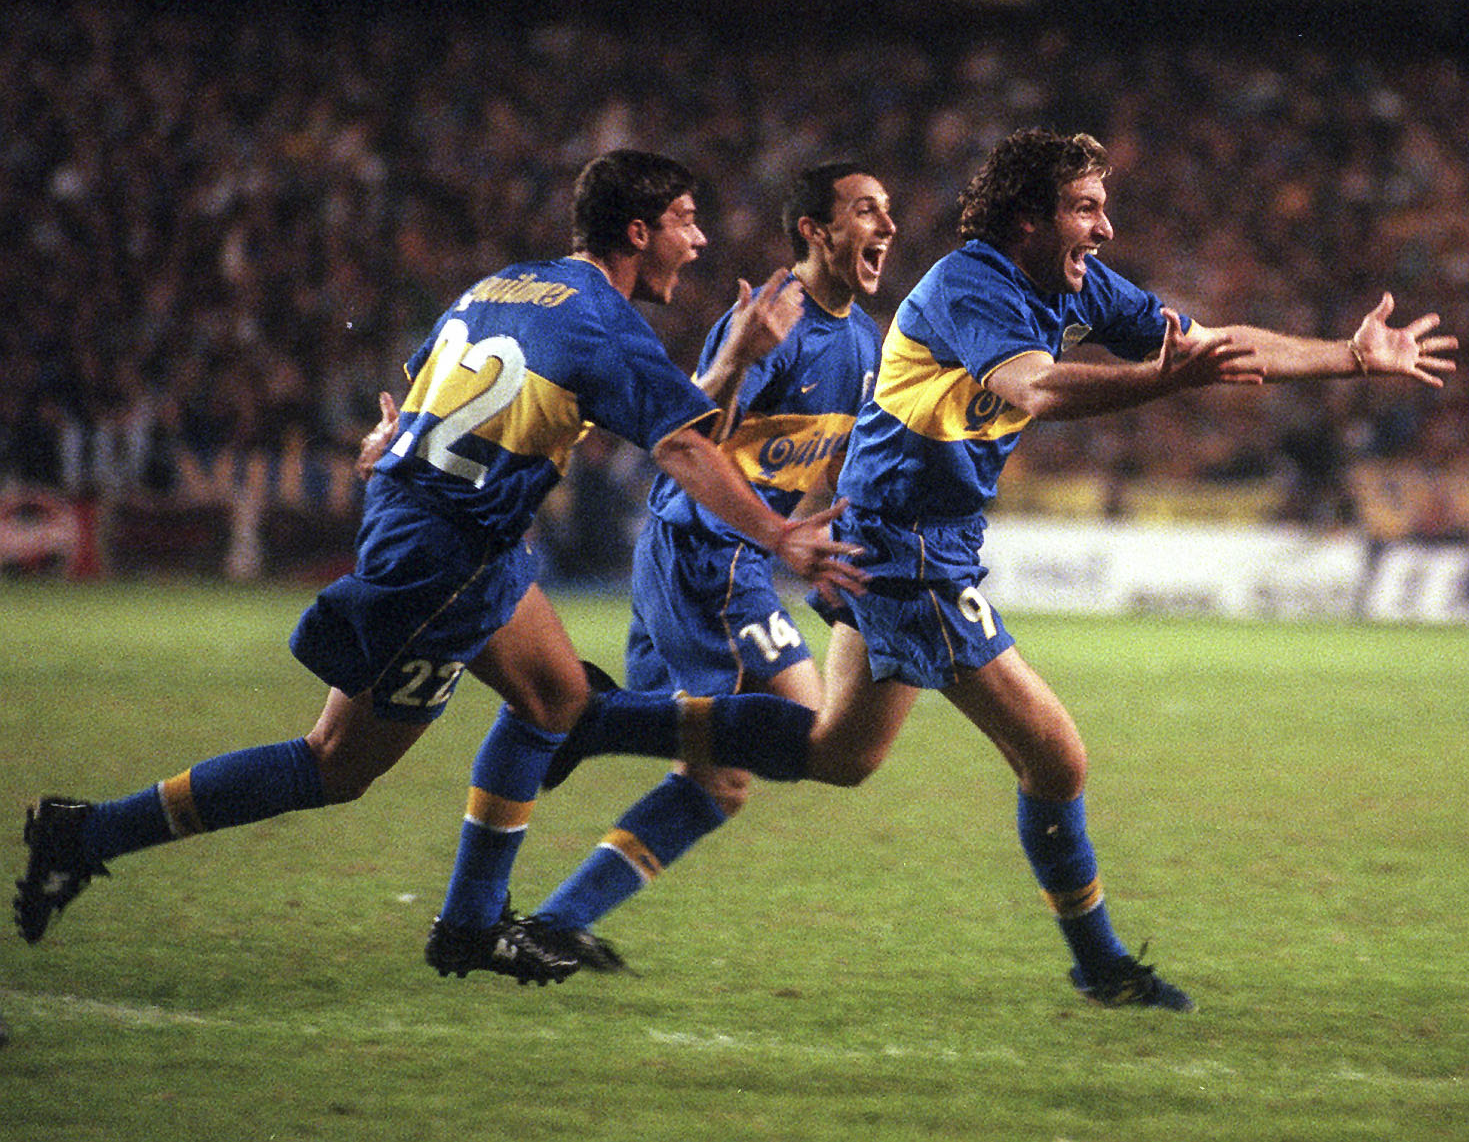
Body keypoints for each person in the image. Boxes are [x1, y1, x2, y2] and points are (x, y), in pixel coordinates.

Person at [545, 128, 1456, 1008]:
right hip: (906, 552)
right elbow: (1037, 387)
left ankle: (599, 721)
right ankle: (1100, 966)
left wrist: (1348, 358)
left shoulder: (1076, 286)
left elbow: (1209, 345)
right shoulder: (968, 286)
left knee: (841, 755)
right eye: (1085, 208)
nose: (1104, 228)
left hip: (910, 540)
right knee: (1054, 755)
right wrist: (1160, 380)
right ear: (1028, 217)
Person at [13, 149, 865, 984]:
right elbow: (682, 444)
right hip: (444, 557)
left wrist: (392, 435)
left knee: (555, 700)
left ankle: (471, 923)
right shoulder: (602, 318)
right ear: (638, 232)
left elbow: (427, 383)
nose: (700, 240)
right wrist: (778, 534)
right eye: (685, 221)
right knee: (334, 762)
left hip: (464, 536)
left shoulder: (502, 285)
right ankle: (89, 834)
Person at [522, 162, 892, 966]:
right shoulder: (771, 320)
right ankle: (595, 717)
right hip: (705, 553)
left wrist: (837, 547)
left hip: (718, 556)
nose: (888, 227)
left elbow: (836, 464)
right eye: (867, 210)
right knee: (813, 731)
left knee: (716, 781)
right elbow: (692, 433)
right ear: (815, 230)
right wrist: (741, 356)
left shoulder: (865, 340)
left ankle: (557, 920)